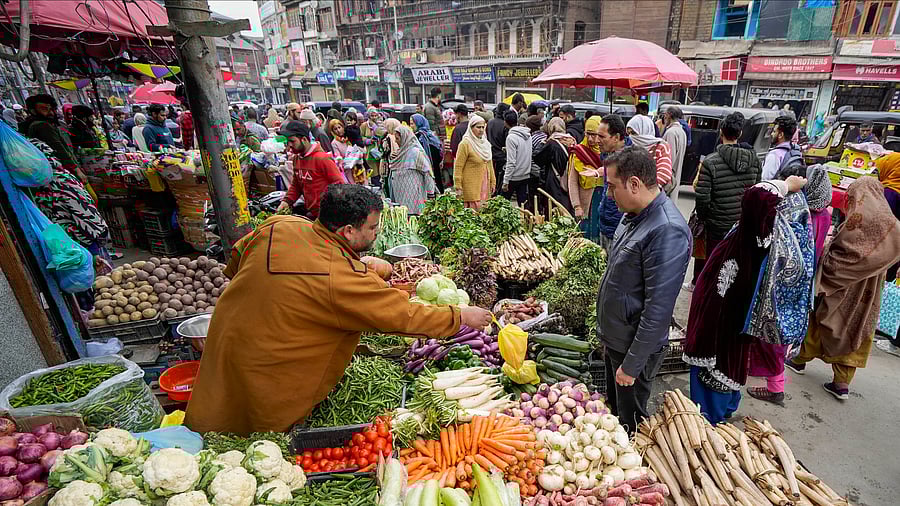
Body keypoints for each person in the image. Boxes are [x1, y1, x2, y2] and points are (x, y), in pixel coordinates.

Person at [186, 184, 493, 434]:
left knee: (217, 408)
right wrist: (462, 316)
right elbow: (403, 315)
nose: (376, 233)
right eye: (372, 228)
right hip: (268, 363)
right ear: (347, 231)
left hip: (225, 337)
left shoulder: (280, 225)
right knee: (256, 434)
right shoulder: (340, 280)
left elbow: (238, 258)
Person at [684, 177, 807, 422]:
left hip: (723, 320)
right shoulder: (758, 236)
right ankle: (721, 411)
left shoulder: (752, 238)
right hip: (732, 320)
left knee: (716, 370)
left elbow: (758, 196)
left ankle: (709, 419)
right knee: (728, 366)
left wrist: (786, 185)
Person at [597, 146, 691, 432]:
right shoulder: (633, 215)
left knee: (631, 422)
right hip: (617, 339)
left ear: (634, 184)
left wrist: (632, 364)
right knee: (615, 412)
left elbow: (658, 309)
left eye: (612, 187)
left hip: (632, 349)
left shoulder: (666, 230)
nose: (609, 195)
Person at [786, 177, 900, 399]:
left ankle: (799, 360)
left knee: (822, 318)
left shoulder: (857, 221)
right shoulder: (893, 227)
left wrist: (826, 256)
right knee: (856, 327)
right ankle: (841, 384)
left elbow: (838, 255)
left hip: (840, 288)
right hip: (868, 293)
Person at [746, 168, 831, 406]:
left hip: (785, 277)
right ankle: (773, 378)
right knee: (786, 328)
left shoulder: (795, 210)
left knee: (773, 330)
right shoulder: (824, 214)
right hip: (804, 278)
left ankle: (775, 386)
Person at [686, 112, 761, 291]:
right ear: (740, 134)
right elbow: (756, 192)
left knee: (711, 262)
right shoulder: (755, 161)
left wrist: (706, 218)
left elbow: (703, 198)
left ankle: (706, 291)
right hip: (739, 224)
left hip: (715, 225)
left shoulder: (711, 162)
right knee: (731, 262)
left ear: (721, 132)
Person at [277, 121, 346, 218]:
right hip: (312, 213)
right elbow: (296, 185)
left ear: (304, 139)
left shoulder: (322, 159)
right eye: (288, 142)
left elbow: (340, 185)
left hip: (327, 215)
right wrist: (286, 202)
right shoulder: (297, 158)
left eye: (292, 141)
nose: (289, 145)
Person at [874, 153, 900, 357]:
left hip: (880, 249)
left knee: (874, 287)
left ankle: (870, 323)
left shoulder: (889, 192)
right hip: (895, 251)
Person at [19, 94, 82, 179]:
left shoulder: (45, 124)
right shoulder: (42, 125)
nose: (51, 113)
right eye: (44, 109)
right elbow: (59, 149)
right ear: (33, 111)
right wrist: (76, 169)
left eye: (52, 109)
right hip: (59, 172)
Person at [386, 120, 436, 215]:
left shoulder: (415, 153)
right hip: (400, 195)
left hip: (415, 197)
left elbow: (427, 173)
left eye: (397, 139)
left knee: (415, 216)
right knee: (403, 216)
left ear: (405, 138)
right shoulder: (400, 152)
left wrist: (431, 194)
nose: (396, 142)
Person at [533, 117, 575, 215]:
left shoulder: (551, 143)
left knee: (554, 209)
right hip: (569, 179)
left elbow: (538, 159)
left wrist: (542, 144)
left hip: (554, 181)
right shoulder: (571, 140)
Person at [454, 114, 495, 209]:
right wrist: (458, 185)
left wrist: (493, 182)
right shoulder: (465, 144)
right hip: (471, 186)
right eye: (478, 127)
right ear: (471, 128)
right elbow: (458, 166)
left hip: (485, 184)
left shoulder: (486, 144)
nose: (481, 130)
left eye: (482, 127)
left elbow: (489, 164)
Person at [626, 115, 672, 189]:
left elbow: (664, 173)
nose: (631, 136)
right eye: (629, 133)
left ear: (645, 130)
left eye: (634, 133)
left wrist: (645, 190)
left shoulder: (661, 147)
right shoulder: (630, 147)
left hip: (651, 195)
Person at [502, 111, 533, 205]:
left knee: (503, 204)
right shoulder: (528, 135)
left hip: (514, 176)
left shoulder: (511, 137)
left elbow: (511, 162)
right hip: (525, 174)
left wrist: (506, 181)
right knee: (523, 204)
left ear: (505, 122)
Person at [412, 113, 444, 194]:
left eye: (412, 123)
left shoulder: (419, 138)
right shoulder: (432, 136)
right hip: (436, 170)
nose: (411, 126)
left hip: (427, 171)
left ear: (418, 123)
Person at [661, 106, 688, 199]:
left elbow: (668, 160)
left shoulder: (671, 133)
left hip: (669, 177)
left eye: (665, 115)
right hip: (676, 175)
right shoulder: (682, 132)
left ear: (669, 115)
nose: (664, 118)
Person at [761, 116, 798, 181]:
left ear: (780, 135)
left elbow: (764, 180)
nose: (772, 134)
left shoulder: (774, 155)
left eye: (774, 131)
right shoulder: (795, 151)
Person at [487, 103, 510, 192]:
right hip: (501, 155)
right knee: (499, 179)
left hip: (490, 154)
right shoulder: (504, 125)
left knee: (491, 177)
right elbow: (506, 141)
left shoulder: (490, 122)